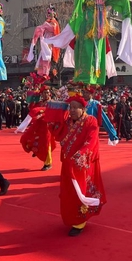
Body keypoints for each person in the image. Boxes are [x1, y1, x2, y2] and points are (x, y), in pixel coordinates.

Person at [44, 0, 132, 85]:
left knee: (95, 51)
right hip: (83, 27)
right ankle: (81, 76)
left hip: (97, 28)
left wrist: (124, 2)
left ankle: (93, 77)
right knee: (82, 51)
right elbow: (78, 7)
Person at [48, 95, 106, 236]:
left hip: (83, 164)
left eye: (75, 107)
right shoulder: (68, 122)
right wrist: (53, 118)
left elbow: (91, 141)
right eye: (70, 107)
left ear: (83, 108)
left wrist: (80, 155)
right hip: (68, 163)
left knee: (80, 191)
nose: (72, 110)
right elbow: (57, 133)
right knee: (68, 192)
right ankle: (71, 217)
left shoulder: (90, 121)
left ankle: (79, 222)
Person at [27, 4, 61, 77]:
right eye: (47, 13)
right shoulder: (47, 22)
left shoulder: (55, 22)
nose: (48, 14)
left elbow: (53, 29)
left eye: (50, 13)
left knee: (47, 57)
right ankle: (42, 73)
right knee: (43, 57)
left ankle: (46, 73)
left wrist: (44, 26)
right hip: (45, 40)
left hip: (50, 41)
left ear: (54, 14)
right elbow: (42, 29)